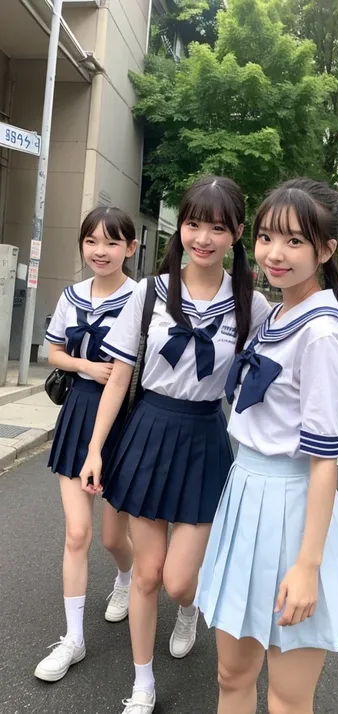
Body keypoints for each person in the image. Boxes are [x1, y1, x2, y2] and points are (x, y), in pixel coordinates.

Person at [79, 176, 270, 714]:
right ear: (179, 228)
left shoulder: (251, 305)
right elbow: (118, 378)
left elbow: (260, 385)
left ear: (236, 233)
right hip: (149, 430)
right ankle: (142, 684)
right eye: (193, 223)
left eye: (217, 226)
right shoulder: (149, 292)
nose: (202, 237)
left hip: (205, 438)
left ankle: (187, 610)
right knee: (146, 573)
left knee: (180, 580)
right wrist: (95, 451)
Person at [196, 178, 338, 714]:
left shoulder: (320, 331)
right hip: (245, 496)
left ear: (326, 250)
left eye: (295, 241)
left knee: (287, 696)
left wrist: (307, 567)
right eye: (269, 237)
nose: (276, 254)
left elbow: (324, 464)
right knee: (232, 676)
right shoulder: (274, 314)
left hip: (292, 510)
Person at [34, 207, 137, 683]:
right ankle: (72, 638)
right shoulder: (71, 296)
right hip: (78, 415)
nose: (101, 250)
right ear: (82, 245)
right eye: (92, 241)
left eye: (112, 242)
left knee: (116, 537)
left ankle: (124, 578)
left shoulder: (142, 298)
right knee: (78, 533)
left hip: (126, 421)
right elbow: (52, 352)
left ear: (130, 249)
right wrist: (85, 367)